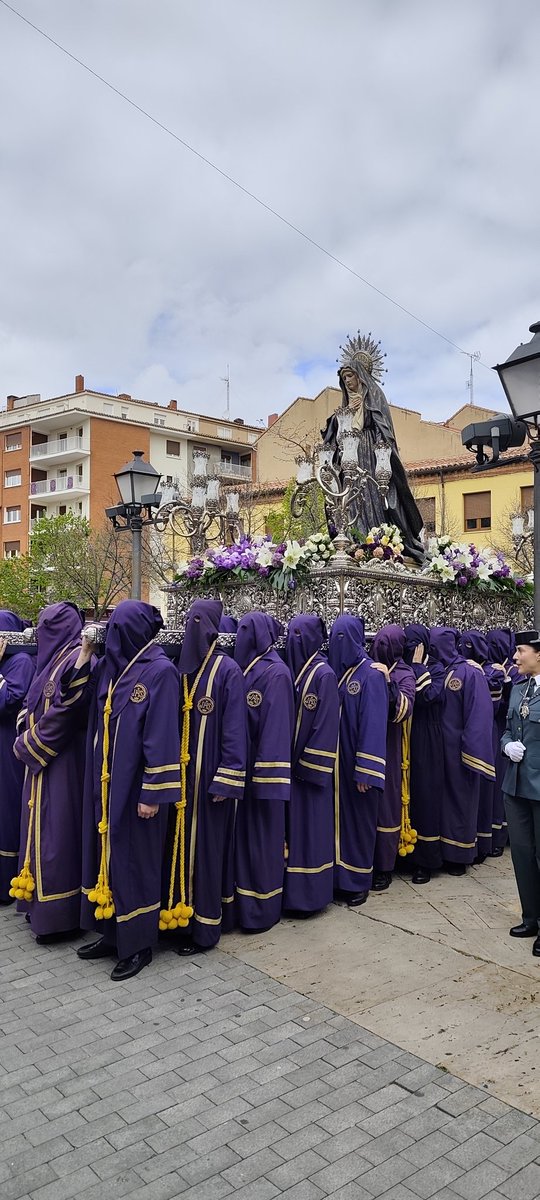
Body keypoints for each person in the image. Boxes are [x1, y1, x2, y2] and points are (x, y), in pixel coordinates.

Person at [79, 601, 181, 980]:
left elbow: (162, 735)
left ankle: (138, 945)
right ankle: (112, 933)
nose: (112, 638)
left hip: (137, 789)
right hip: (109, 785)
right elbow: (80, 698)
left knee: (136, 862)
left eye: (117, 631)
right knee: (111, 858)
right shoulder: (114, 666)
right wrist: (84, 653)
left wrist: (152, 793)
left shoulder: (160, 672)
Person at [163, 598, 247, 955]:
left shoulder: (227, 670)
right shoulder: (180, 666)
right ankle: (176, 917)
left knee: (206, 851)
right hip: (180, 778)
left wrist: (226, 778)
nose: (192, 628)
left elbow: (235, 729)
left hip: (209, 778)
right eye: (189, 620)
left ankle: (204, 928)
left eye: (199, 621)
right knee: (176, 847)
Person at [11, 602, 89, 943]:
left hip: (64, 761)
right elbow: (30, 703)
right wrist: (26, 727)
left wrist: (31, 742)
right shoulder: (52, 661)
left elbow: (68, 711)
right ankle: (37, 905)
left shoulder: (77, 659)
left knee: (57, 834)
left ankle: (60, 916)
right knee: (37, 830)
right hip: (42, 762)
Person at [321, 335, 424, 561]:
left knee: (374, 495)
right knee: (351, 498)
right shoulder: (346, 404)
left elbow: (383, 427)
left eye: (350, 376)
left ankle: (376, 540)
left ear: (360, 375)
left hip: (371, 454)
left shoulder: (375, 395)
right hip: (350, 455)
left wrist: (381, 452)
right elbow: (336, 433)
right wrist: (346, 413)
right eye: (344, 378)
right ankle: (355, 541)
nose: (347, 381)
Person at [234, 611, 294, 932]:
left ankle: (263, 909)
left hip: (264, 779)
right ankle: (243, 907)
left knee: (263, 843)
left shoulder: (276, 673)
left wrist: (266, 780)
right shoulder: (247, 668)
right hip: (242, 774)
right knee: (245, 845)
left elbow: (276, 730)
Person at [328, 615, 388, 905]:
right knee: (337, 823)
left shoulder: (370, 675)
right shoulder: (334, 672)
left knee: (359, 823)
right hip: (335, 765)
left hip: (357, 764)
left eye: (344, 638)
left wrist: (367, 769)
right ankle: (337, 879)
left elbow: (374, 724)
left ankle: (358, 881)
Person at [283, 614, 339, 915]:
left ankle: (312, 896)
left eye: (299, 635)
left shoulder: (323, 675)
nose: (294, 641)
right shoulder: (293, 671)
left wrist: (308, 767)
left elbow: (326, 726)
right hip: (290, 771)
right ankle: (292, 894)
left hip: (309, 774)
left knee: (311, 832)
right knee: (293, 833)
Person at [429, 627, 496, 876]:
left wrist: (472, 750)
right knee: (440, 803)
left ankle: (459, 854)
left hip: (459, 752)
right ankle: (440, 850)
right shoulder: (436, 671)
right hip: (437, 750)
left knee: (460, 801)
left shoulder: (469, 672)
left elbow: (479, 714)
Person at [501, 629, 540, 952]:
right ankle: (531, 917)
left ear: (539, 654)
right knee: (523, 855)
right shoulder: (518, 689)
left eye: (521, 651)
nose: (515, 657)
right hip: (516, 787)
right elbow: (506, 731)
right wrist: (507, 746)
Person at [370, 624, 416, 890]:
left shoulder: (404, 673)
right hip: (366, 744)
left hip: (391, 746)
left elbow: (402, 710)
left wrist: (388, 682)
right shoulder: (367, 667)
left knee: (387, 804)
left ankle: (385, 867)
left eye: (386, 644)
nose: (380, 649)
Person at [403, 623, 446, 886]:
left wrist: (418, 667)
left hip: (427, 736)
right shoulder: (402, 665)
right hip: (404, 736)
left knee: (425, 796)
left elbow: (428, 695)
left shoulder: (437, 668)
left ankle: (425, 861)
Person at [458, 630, 505, 861]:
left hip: (490, 731)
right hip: (472, 731)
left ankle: (487, 840)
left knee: (487, 788)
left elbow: (494, 703)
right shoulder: (464, 669)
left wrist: (477, 675)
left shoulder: (493, 671)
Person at [0, 614, 35, 904]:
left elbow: (9, 700)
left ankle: (6, 882)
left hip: (7, 749)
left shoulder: (21, 661)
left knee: (7, 810)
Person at [488, 628, 519, 856]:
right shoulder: (493, 668)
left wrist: (505, 682)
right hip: (497, 729)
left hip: (508, 730)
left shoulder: (515, 671)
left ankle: (503, 835)